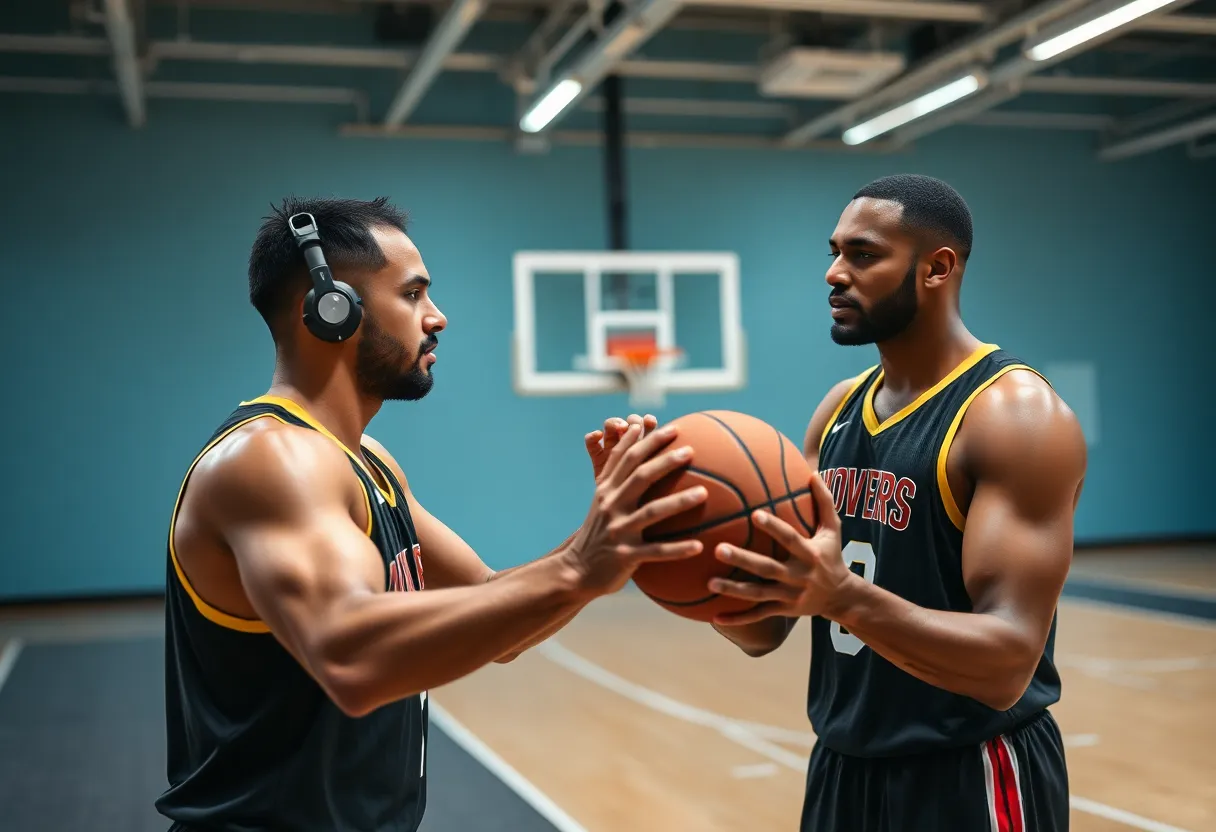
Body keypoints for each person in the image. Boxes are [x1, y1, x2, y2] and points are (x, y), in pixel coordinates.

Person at [155, 195, 709, 832]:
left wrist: (608, 535)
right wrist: (583, 566)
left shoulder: (369, 461)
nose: (437, 317)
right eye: (413, 294)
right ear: (332, 311)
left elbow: (493, 607)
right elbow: (353, 659)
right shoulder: (272, 461)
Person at [708, 174, 1086, 831]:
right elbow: (761, 631)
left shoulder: (1012, 416)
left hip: (970, 770)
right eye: (833, 252)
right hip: (841, 767)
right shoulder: (836, 411)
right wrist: (683, 552)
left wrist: (839, 597)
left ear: (937, 268)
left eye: (862, 254)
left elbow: (1005, 665)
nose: (833, 273)